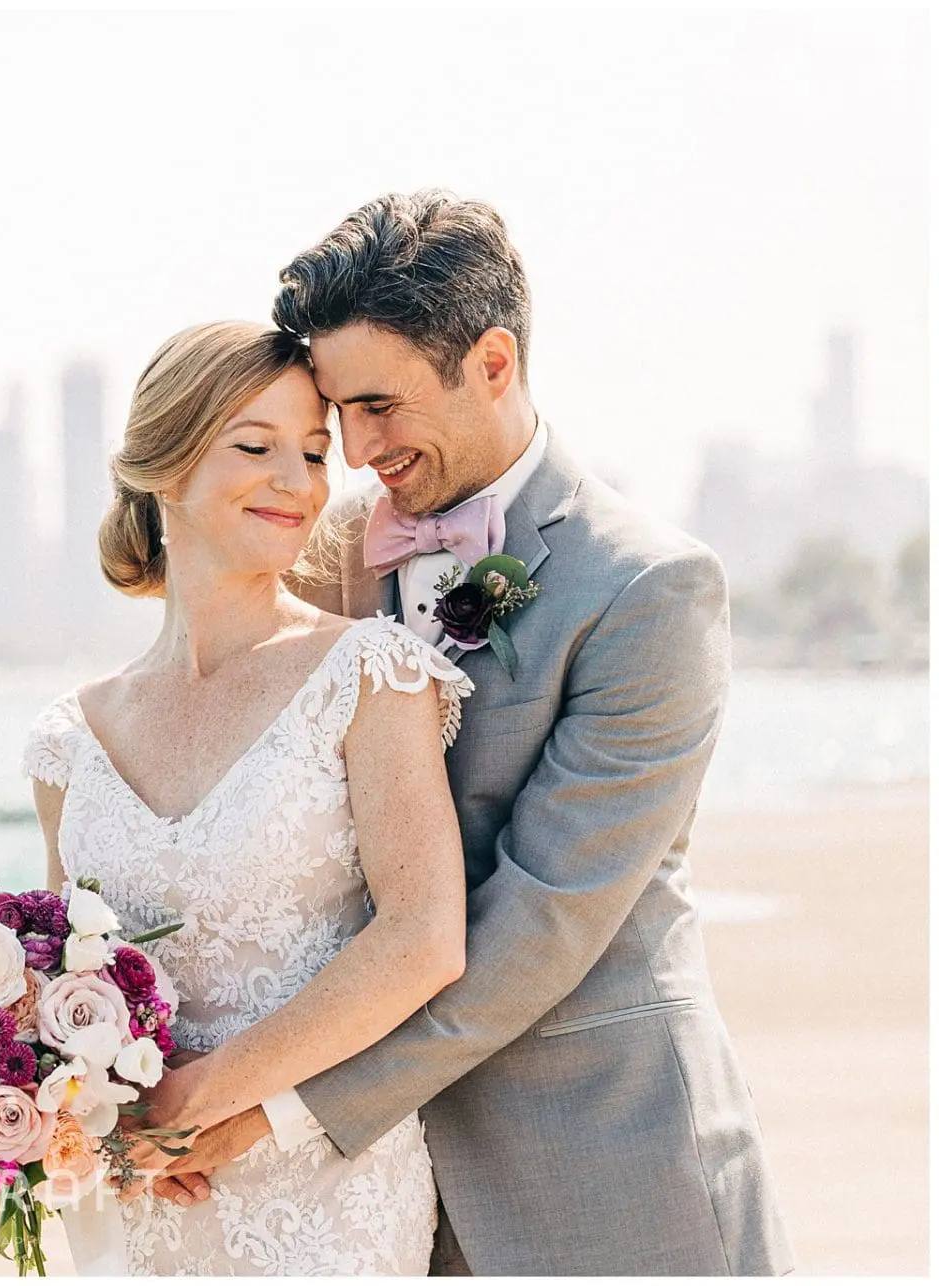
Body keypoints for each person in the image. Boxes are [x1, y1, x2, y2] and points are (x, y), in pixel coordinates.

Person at [146, 190, 794, 1275]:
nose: (355, 449)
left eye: (381, 406)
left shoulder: (649, 590)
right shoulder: (343, 552)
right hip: (385, 1206)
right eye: (336, 411)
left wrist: (278, 1100)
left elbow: (540, 919)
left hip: (609, 1177)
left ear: (493, 363)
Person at [22, 320, 476, 1274]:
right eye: (256, 446)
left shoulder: (371, 674)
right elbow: (63, 981)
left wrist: (209, 1102)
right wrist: (90, 1113)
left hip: (324, 1198)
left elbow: (425, 936)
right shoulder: (71, 739)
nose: (299, 482)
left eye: (314, 454)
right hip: (138, 1203)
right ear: (166, 465)